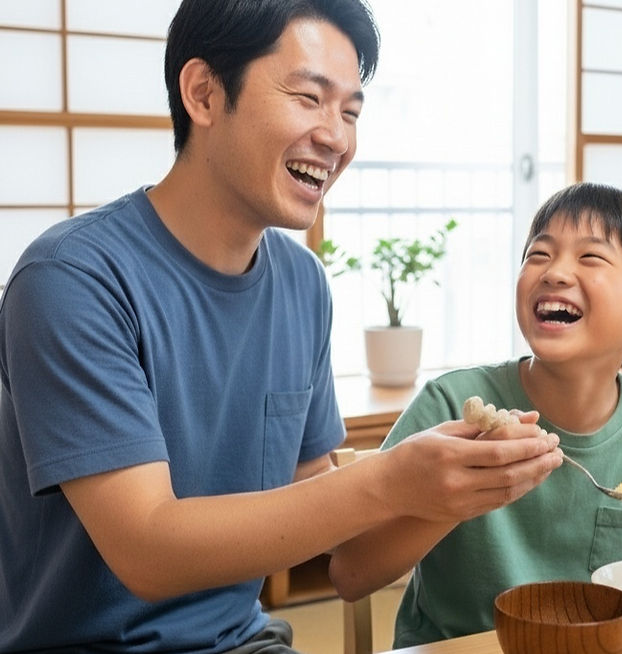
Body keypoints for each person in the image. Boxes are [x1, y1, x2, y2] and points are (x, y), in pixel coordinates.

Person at [0, 1, 562, 651]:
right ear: (204, 94)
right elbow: (146, 550)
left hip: (244, 641)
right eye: (308, 98)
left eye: (350, 111)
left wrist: (456, 489)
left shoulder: (300, 284)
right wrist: (388, 478)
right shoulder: (72, 278)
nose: (337, 137)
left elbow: (336, 543)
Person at [329, 182, 622, 647]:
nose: (554, 272)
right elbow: (351, 573)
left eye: (590, 258)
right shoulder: (452, 405)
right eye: (538, 255)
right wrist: (458, 494)